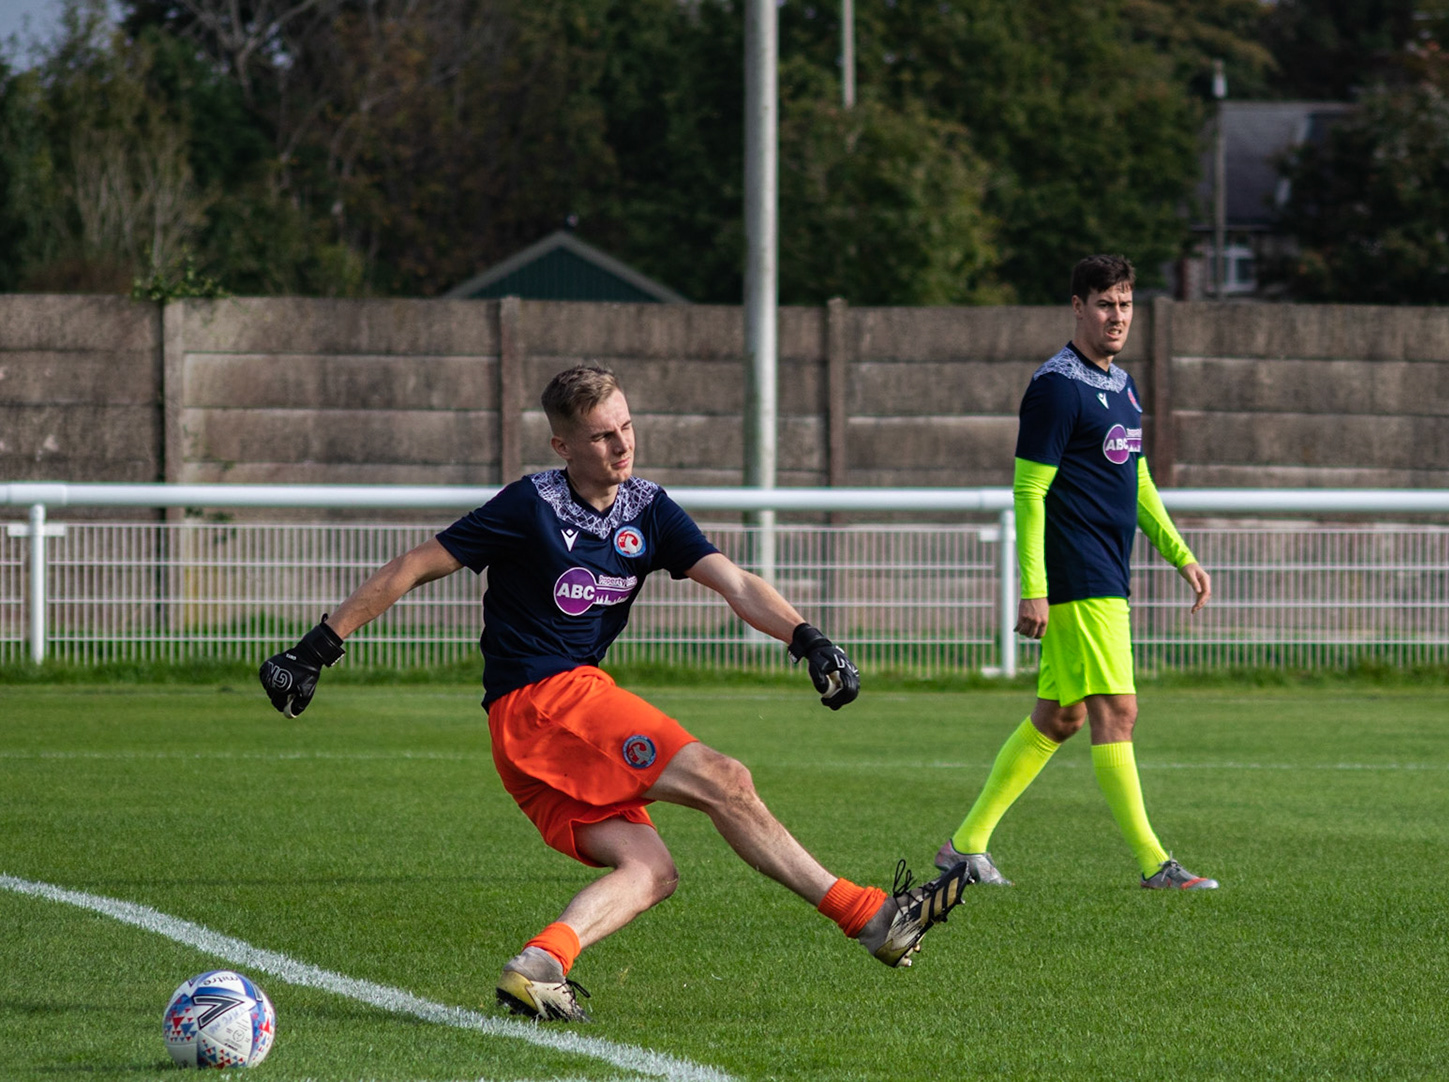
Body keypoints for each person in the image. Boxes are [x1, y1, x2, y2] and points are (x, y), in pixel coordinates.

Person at [259, 365, 971, 1023]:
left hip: (544, 733)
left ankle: (540, 964)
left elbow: (734, 581)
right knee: (727, 780)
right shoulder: (528, 505)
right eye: (602, 435)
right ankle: (870, 917)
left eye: (626, 426)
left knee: (653, 870)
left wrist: (806, 637)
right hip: (546, 702)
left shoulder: (648, 508)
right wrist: (318, 647)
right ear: (563, 443)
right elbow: (416, 564)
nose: (621, 445)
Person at [934, 254, 1219, 891]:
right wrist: (1033, 586)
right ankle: (1156, 865)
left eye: (1125, 304)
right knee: (1117, 711)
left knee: (1060, 716)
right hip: (1078, 574)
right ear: (1078, 307)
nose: (1117, 317)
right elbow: (1028, 492)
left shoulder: (1123, 387)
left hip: (1105, 573)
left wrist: (1181, 554)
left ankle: (965, 847)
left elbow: (1136, 478)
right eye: (1104, 304)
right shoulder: (1056, 386)